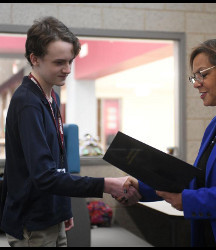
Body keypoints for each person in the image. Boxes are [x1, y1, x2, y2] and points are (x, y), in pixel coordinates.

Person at [0, 16, 141, 247]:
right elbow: (43, 176)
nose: (67, 70)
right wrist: (106, 184)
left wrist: (63, 208)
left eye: (70, 62)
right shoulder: (27, 102)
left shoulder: (51, 96)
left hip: (52, 214)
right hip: (33, 222)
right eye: (59, 63)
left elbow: (58, 163)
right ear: (34, 59)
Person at [123, 38, 216, 247]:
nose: (197, 83)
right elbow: (198, 180)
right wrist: (141, 187)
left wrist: (191, 201)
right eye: (194, 77)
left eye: (203, 74)